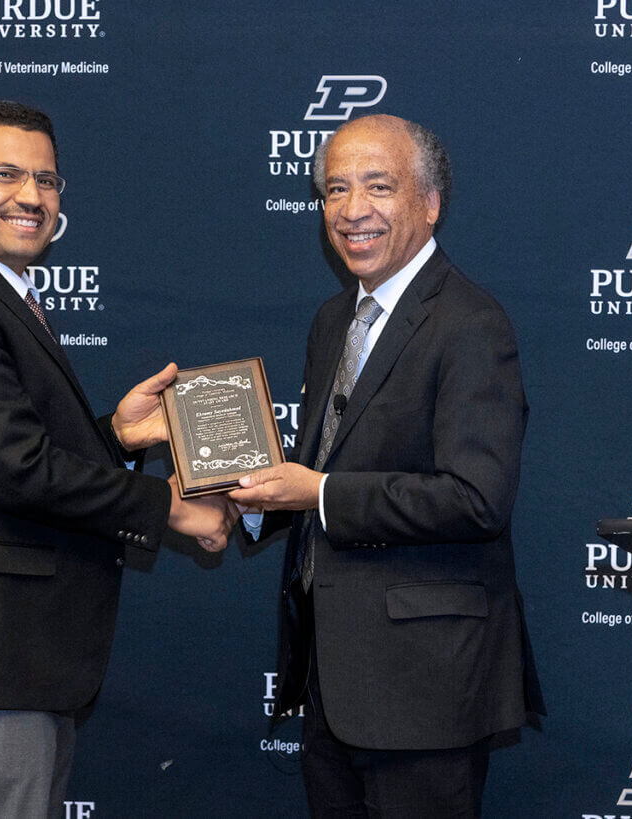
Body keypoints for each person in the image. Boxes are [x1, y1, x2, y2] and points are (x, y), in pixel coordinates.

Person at [0, 100, 233, 818]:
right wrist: (175, 508)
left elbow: (0, 454)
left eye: (48, 179)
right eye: (5, 174)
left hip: (15, 667)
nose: (31, 195)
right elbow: (19, 468)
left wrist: (116, 438)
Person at [230, 114, 544, 818]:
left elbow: (475, 498)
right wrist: (246, 499)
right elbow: (320, 466)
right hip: (332, 678)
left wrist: (320, 492)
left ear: (429, 203)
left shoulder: (471, 324)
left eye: (378, 186)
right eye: (334, 189)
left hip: (425, 685)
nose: (351, 210)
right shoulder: (332, 319)